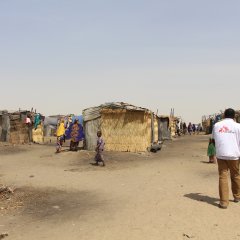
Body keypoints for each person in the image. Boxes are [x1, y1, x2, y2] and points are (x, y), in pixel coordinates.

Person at [212, 108, 240, 209]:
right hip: (234, 155)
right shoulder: (238, 126)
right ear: (234, 116)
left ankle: (224, 202)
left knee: (223, 176)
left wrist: (215, 153)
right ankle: (237, 196)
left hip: (221, 154)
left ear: (224, 115)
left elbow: (213, 140)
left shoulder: (216, 125)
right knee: (235, 175)